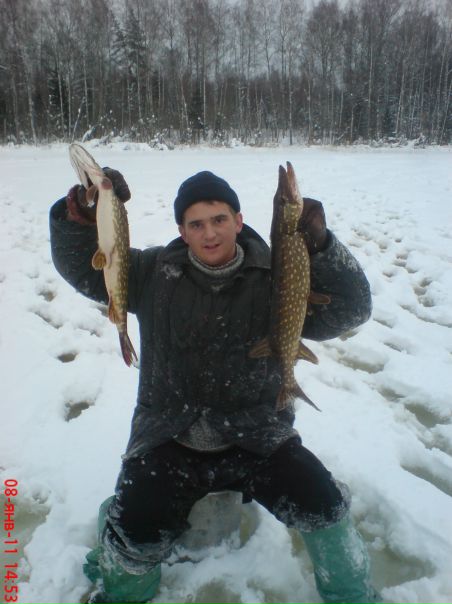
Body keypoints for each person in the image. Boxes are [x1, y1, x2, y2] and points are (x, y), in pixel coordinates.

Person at [49, 167, 380, 604]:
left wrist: (322, 248)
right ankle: (121, 590)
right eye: (196, 224)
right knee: (135, 533)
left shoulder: (278, 277)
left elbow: (351, 311)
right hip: (169, 435)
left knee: (325, 506)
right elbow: (82, 267)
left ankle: (354, 596)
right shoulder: (151, 273)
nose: (209, 233)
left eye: (219, 219)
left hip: (257, 434)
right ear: (182, 231)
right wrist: (80, 212)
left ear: (239, 221)